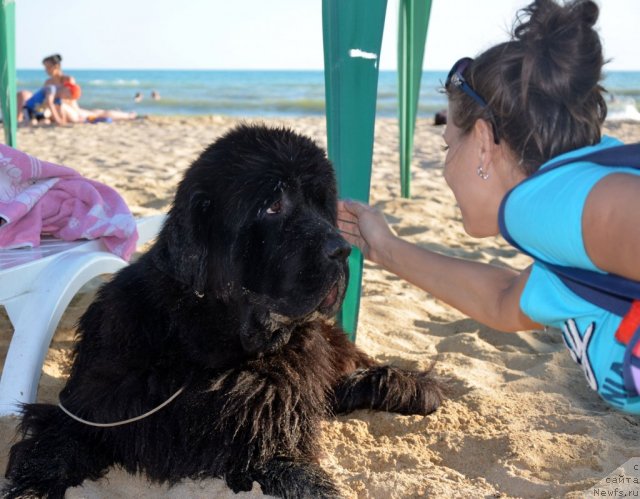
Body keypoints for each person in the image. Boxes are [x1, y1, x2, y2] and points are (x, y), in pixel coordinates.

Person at [338, 0, 640, 415]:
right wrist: (382, 247)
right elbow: (501, 300)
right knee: (618, 487)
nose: (444, 171)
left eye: (448, 148)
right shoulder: (560, 234)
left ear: (482, 143)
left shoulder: (551, 206)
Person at [18, 54, 81, 125]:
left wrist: (62, 120)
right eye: (45, 68)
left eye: (48, 67)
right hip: (46, 109)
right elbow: (46, 101)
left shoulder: (68, 80)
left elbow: (70, 100)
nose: (46, 70)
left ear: (57, 66)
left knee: (60, 107)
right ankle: (22, 119)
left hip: (68, 108)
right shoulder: (48, 83)